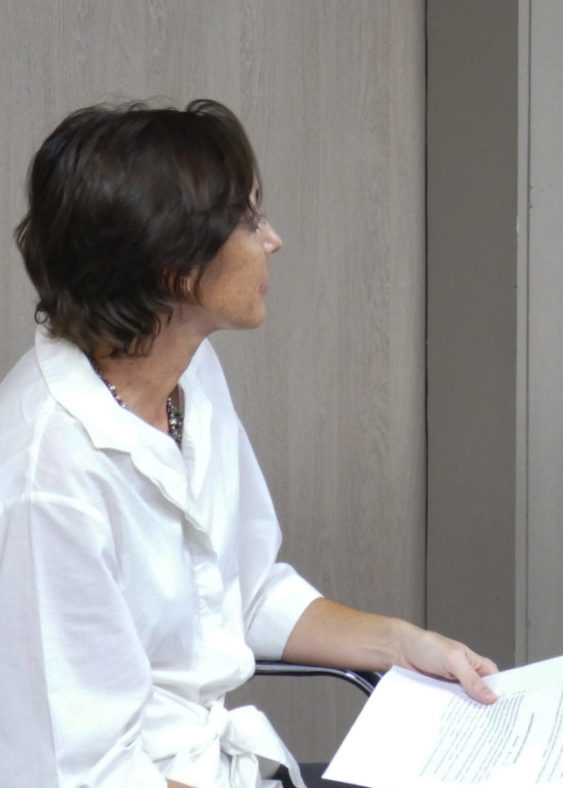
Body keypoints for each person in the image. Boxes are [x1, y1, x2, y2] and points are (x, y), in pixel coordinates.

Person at [0, 100, 499, 787]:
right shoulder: (47, 475)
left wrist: (402, 645)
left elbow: (242, 593)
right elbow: (81, 775)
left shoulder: (186, 370)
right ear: (175, 267)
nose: (273, 240)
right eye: (248, 219)